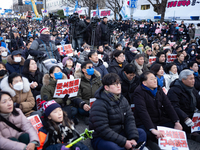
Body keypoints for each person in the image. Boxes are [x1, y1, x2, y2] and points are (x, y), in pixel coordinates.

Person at [89, 73, 147, 150]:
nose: (118, 86)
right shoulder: (99, 104)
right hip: (102, 137)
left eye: (119, 83)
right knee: (114, 148)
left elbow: (129, 119)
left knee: (141, 133)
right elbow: (103, 130)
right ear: (106, 87)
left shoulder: (122, 99)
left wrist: (133, 138)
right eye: (115, 84)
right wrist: (124, 142)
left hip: (119, 132)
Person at [132, 71, 182, 149]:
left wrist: (176, 121)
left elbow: (168, 105)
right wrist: (152, 129)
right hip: (144, 121)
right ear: (144, 83)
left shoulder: (159, 89)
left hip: (159, 119)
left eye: (155, 78)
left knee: (174, 127)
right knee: (149, 134)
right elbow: (142, 111)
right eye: (151, 79)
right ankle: (150, 143)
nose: (155, 80)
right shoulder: (139, 92)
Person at [167, 70, 200, 142]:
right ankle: (190, 135)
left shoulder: (192, 89)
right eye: (191, 79)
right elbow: (174, 107)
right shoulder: (174, 90)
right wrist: (185, 118)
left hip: (192, 115)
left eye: (193, 78)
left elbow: (198, 101)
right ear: (183, 80)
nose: (193, 81)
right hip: (180, 117)